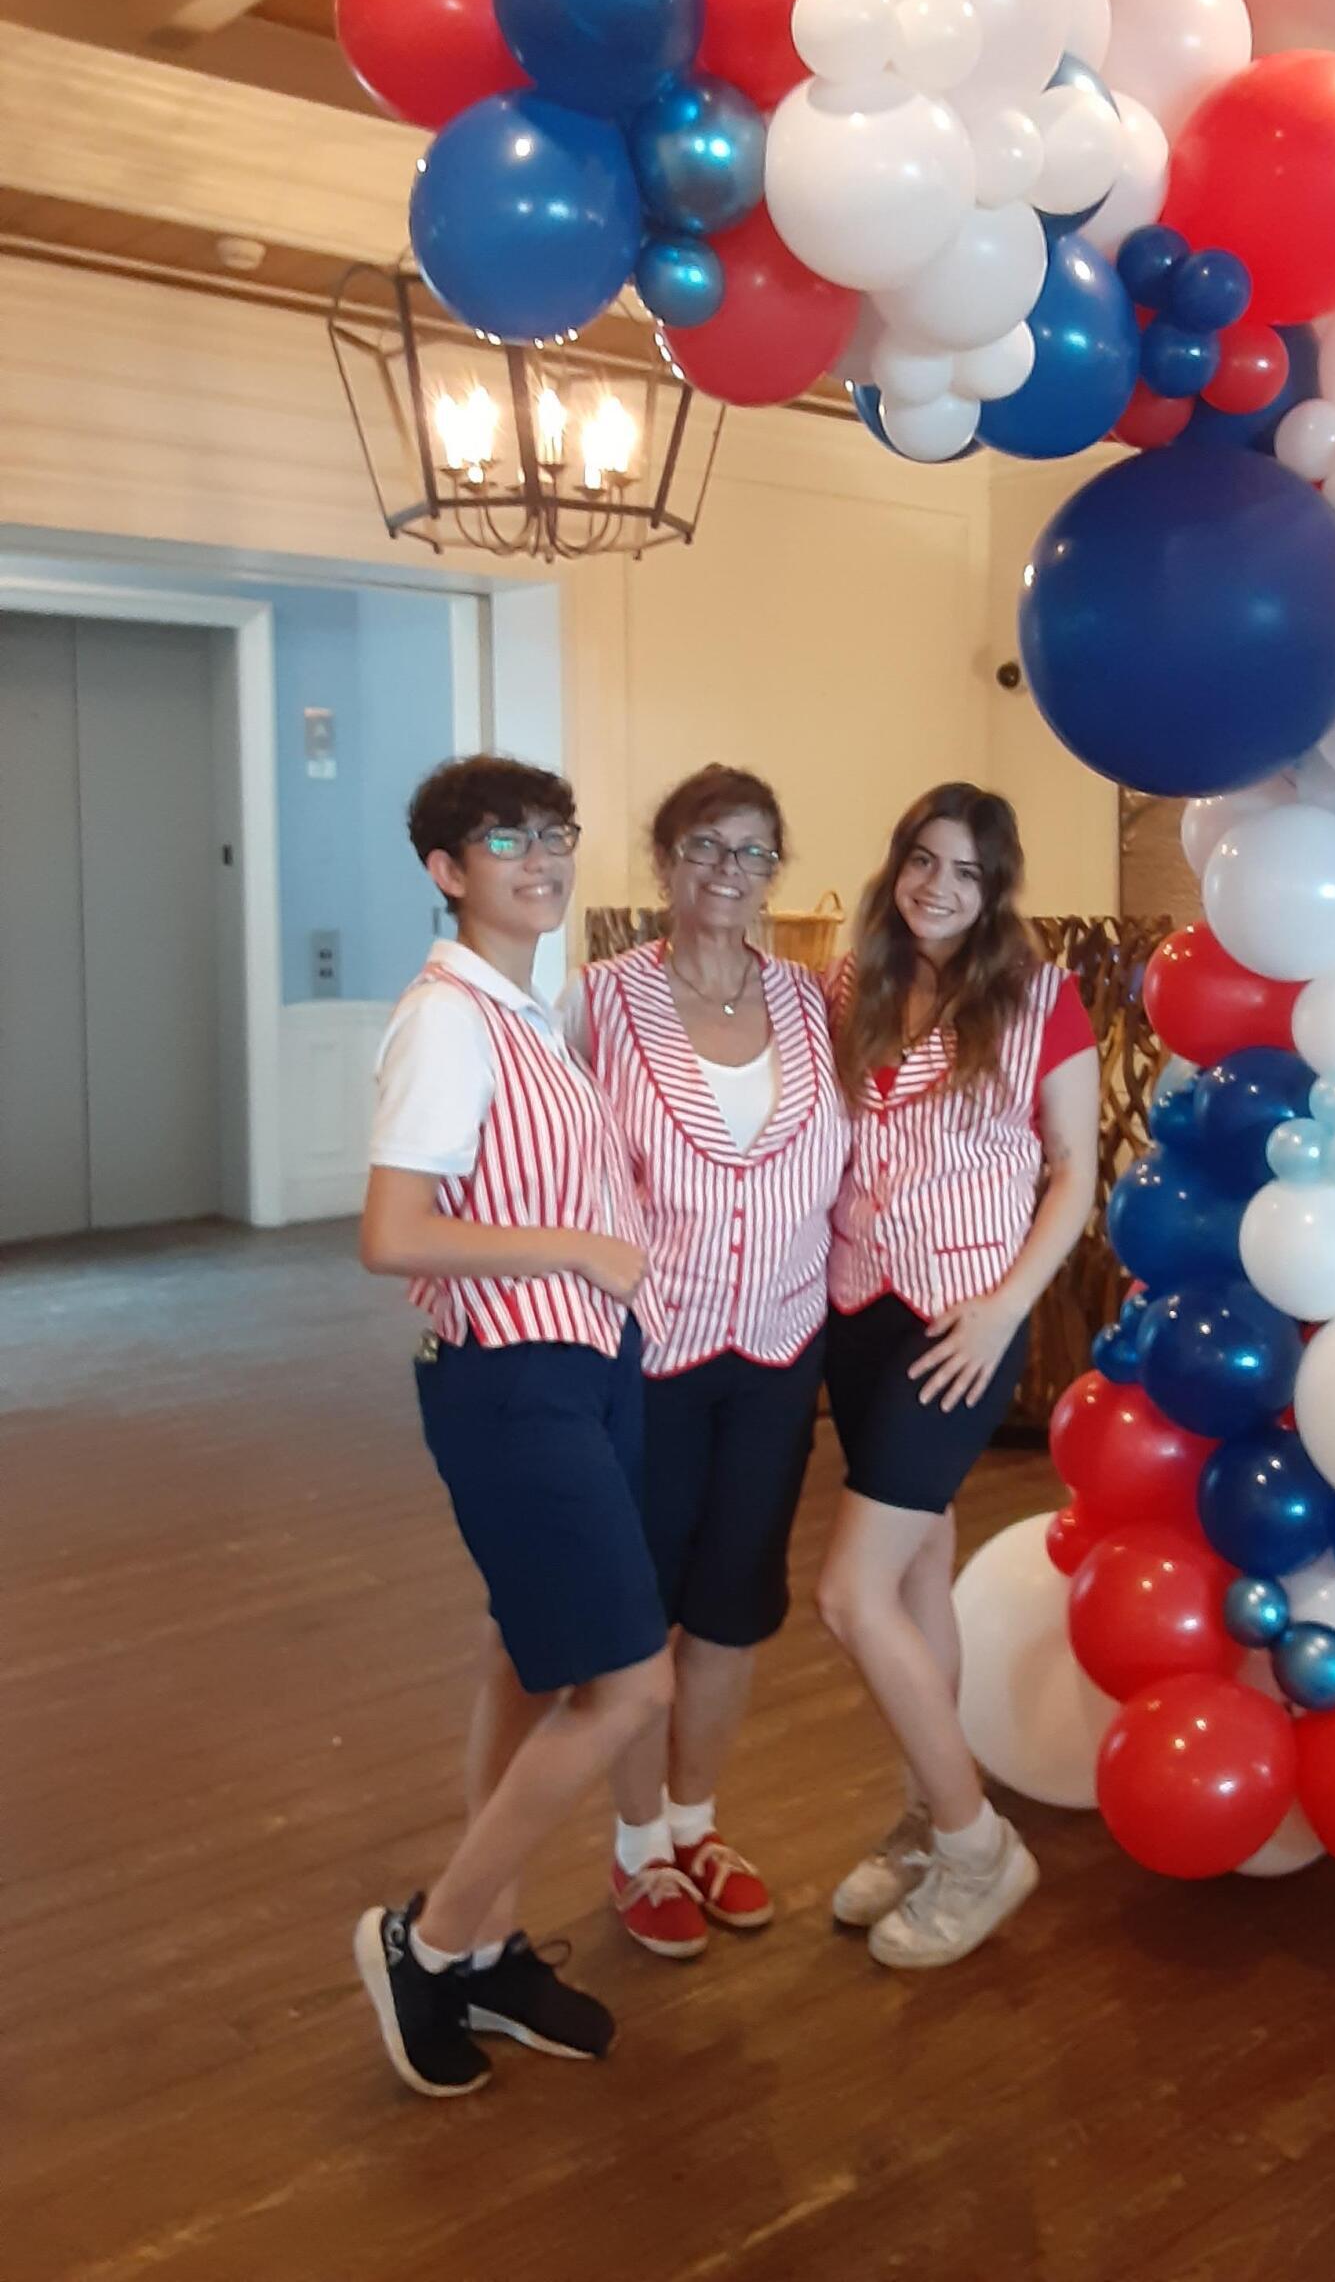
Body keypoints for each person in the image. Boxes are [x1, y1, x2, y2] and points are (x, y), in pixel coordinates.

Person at [352, 755, 670, 2100]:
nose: (541, 859)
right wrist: (583, 1252)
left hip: (585, 1369)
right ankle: (425, 1943)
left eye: (555, 835)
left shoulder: (530, 1013)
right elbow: (393, 1233)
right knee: (629, 1686)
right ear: (447, 871)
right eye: (505, 840)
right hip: (514, 1376)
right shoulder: (449, 1019)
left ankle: (483, 1950)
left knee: (528, 1661)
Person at [566, 766, 849, 1959]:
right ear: (663, 860)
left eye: (753, 853)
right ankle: (638, 1852)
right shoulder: (599, 1003)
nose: (729, 874)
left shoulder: (816, 1000)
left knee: (732, 1607)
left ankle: (697, 1826)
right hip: (647, 1353)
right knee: (638, 1618)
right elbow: (548, 1164)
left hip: (781, 1345)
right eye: (704, 849)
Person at [818, 783, 1099, 1968]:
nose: (939, 885)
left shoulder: (1043, 999)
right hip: (857, 1307)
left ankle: (980, 1843)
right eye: (924, 860)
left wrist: (1004, 1311)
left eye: (968, 871)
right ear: (898, 866)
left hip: (961, 1322)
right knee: (922, 1572)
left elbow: (1075, 1175)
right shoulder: (854, 985)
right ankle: (930, 1815)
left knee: (849, 1594)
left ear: (997, 888)